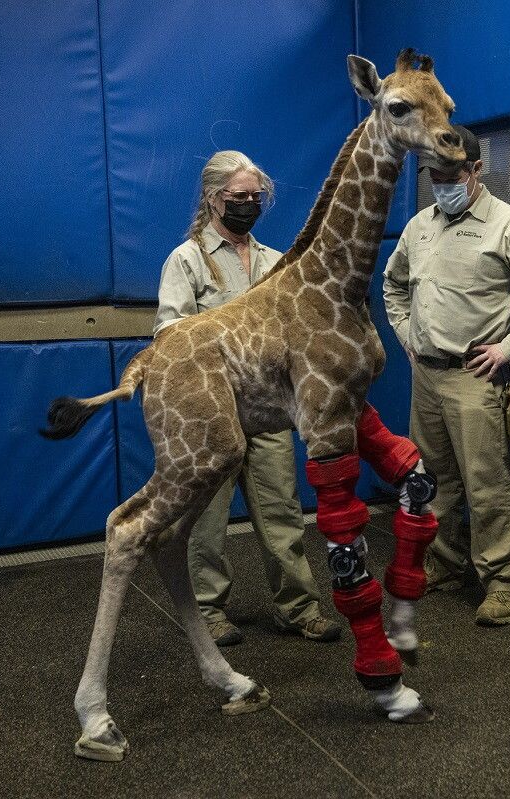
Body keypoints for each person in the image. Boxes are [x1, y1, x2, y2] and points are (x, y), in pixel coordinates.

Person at [383, 125, 510, 626]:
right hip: (425, 375)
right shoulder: (419, 226)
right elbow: (394, 284)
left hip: (475, 377)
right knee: (432, 481)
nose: (442, 182)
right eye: (433, 174)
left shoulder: (508, 225)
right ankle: (445, 564)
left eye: (451, 173)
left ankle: (501, 583)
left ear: (475, 169)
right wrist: (407, 335)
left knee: (488, 484)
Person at [154, 150, 340, 647]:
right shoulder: (186, 260)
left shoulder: (276, 263)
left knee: (282, 512)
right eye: (239, 197)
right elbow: (169, 335)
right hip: (211, 418)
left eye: (256, 197)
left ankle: (298, 607)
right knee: (207, 523)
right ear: (214, 199)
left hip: (267, 411)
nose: (249, 205)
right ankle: (209, 614)